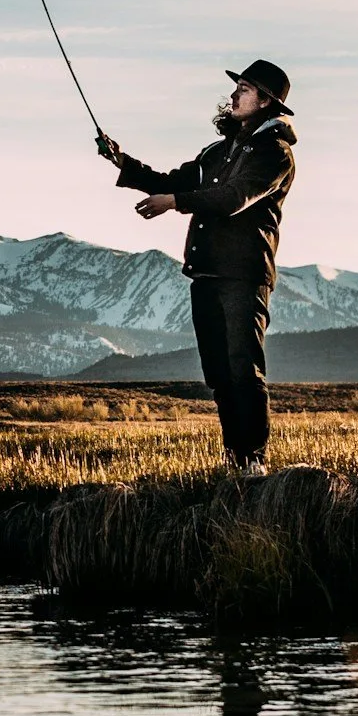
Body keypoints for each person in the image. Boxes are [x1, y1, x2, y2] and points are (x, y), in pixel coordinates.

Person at [96, 61, 298, 478]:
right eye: (236, 88)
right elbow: (173, 180)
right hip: (206, 271)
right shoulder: (216, 151)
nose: (233, 96)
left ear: (266, 101)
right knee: (219, 374)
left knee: (244, 368)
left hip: (244, 273)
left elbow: (233, 198)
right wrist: (122, 162)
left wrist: (174, 202)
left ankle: (255, 461)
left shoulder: (274, 153)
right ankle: (235, 460)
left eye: (244, 89)